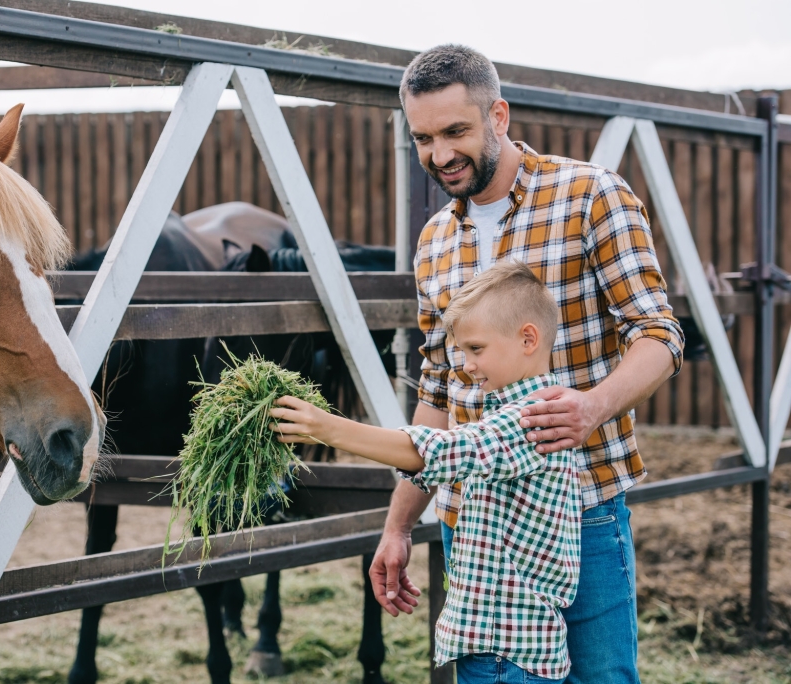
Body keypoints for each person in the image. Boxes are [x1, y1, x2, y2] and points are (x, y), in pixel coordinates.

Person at [366, 44, 685, 683]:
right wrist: (398, 525)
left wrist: (591, 407)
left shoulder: (590, 195)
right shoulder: (435, 242)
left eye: (456, 131)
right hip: (476, 526)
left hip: (583, 510)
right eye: (424, 139)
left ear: (499, 116)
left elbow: (658, 335)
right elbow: (437, 392)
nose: (441, 155)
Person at [271, 261, 581, 683]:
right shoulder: (514, 414)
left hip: (508, 658)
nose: (467, 365)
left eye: (476, 349)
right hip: (496, 648)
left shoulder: (534, 421)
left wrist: (329, 428)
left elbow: (444, 450)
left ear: (528, 338)